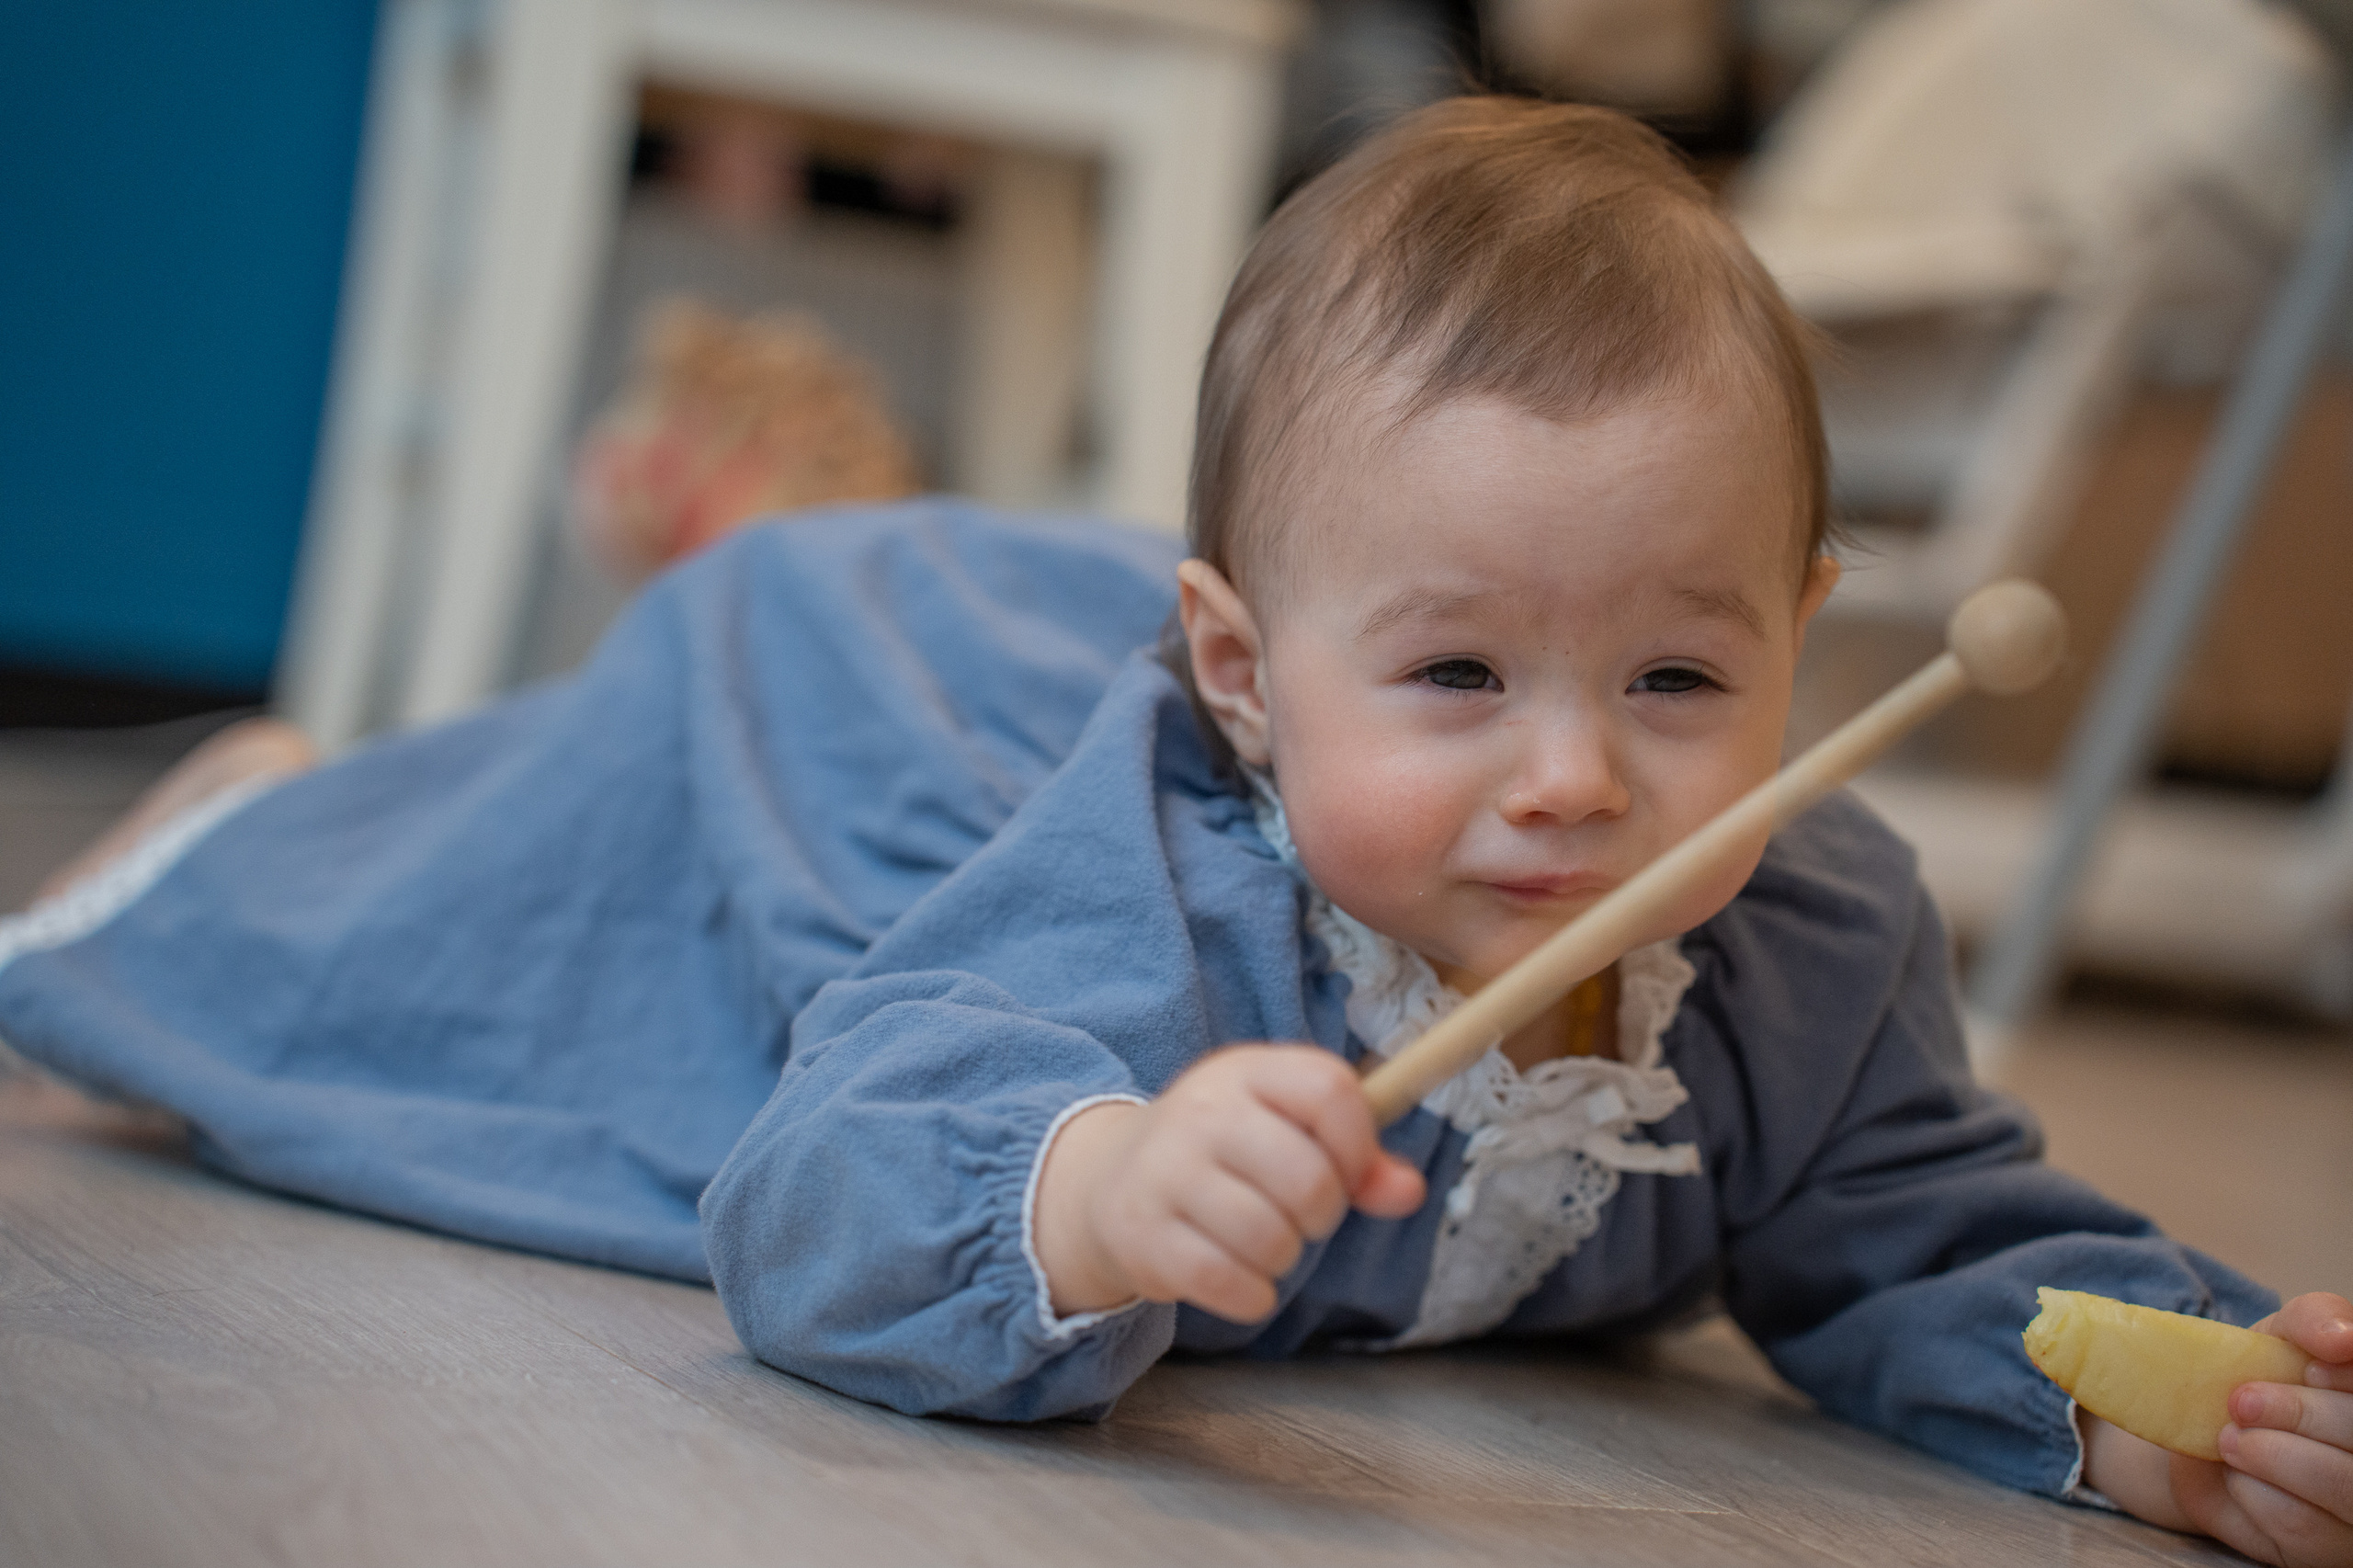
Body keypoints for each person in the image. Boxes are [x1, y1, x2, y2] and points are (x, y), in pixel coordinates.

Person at [1, 98, 2346, 1564]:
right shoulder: (1145, 858)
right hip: (862, 719)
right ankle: (258, 825)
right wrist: (1089, 1189)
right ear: (1239, 671)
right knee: (510, 981)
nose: (1569, 778)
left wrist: (2168, 1405)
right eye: (1456, 675)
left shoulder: (1813, 931)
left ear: (1801, 642)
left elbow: (1922, 1233)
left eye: (1676, 677)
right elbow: (828, 1183)